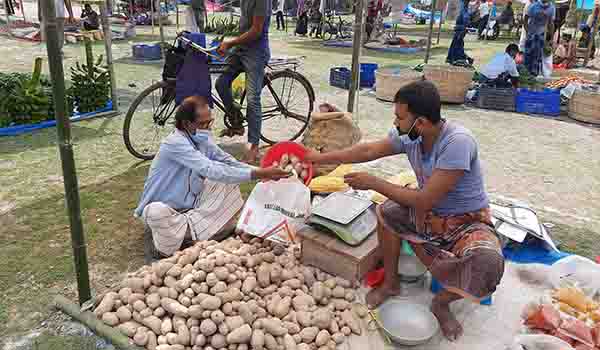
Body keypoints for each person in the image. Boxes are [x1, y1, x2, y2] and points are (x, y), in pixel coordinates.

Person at [305, 80, 504, 341]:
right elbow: (368, 150)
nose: (395, 123)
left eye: (400, 117)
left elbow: (423, 200)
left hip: (466, 221)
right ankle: (391, 283)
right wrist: (318, 159)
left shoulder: (458, 142)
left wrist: (374, 182)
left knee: (488, 263)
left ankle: (442, 303)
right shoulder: (410, 136)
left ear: (420, 122)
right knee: (387, 212)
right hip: (430, 216)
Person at [135, 96, 290, 263]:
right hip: (167, 210)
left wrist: (262, 171)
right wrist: (260, 174)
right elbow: (210, 169)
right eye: (203, 124)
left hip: (190, 207)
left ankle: (188, 233)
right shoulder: (175, 143)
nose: (208, 128)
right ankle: (181, 238)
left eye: (210, 122)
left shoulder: (201, 138)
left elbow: (227, 161)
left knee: (227, 180)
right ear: (187, 124)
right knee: (155, 212)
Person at [215, 0, 271, 163]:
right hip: (241, 49)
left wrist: (231, 42)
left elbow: (256, 30)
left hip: (256, 52)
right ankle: (237, 122)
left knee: (253, 99)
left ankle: (254, 146)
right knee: (221, 83)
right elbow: (244, 24)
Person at [523, 0, 555, 76]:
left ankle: (534, 73)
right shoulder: (533, 6)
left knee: (537, 53)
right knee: (528, 53)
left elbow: (550, 23)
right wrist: (527, 32)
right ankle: (526, 72)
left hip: (541, 34)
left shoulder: (551, 8)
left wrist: (551, 38)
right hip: (531, 33)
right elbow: (525, 19)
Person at [446, 0, 474, 65]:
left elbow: (465, 18)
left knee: (457, 45)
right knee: (457, 45)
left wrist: (466, 26)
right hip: (460, 29)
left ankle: (460, 59)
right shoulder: (464, 8)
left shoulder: (463, 8)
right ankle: (465, 59)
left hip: (461, 30)